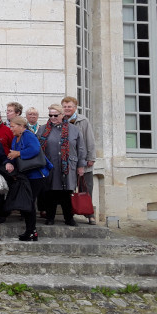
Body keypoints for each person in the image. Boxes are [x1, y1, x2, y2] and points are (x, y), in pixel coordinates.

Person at [37, 104, 87, 226]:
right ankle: (50, 217)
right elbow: (37, 147)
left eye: (55, 115)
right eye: (50, 115)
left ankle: (69, 218)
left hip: (68, 165)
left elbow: (81, 148)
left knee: (66, 192)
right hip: (50, 164)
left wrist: (81, 166)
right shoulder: (43, 129)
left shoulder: (74, 129)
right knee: (51, 192)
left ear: (62, 115)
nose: (53, 117)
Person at [4, 117, 52, 241]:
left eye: (13, 126)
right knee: (26, 203)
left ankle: (31, 232)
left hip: (37, 175)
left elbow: (35, 149)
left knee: (29, 203)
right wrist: (8, 162)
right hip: (26, 175)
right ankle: (31, 231)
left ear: (21, 126)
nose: (11, 128)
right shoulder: (16, 138)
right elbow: (13, 154)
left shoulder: (28, 135)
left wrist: (18, 154)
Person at [62, 96, 97, 225]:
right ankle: (70, 213)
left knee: (86, 188)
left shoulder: (83, 121)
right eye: (65, 106)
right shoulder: (61, 120)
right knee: (69, 188)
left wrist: (91, 157)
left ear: (75, 108)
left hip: (83, 160)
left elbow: (90, 140)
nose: (67, 109)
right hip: (68, 161)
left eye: (69, 106)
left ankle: (90, 214)